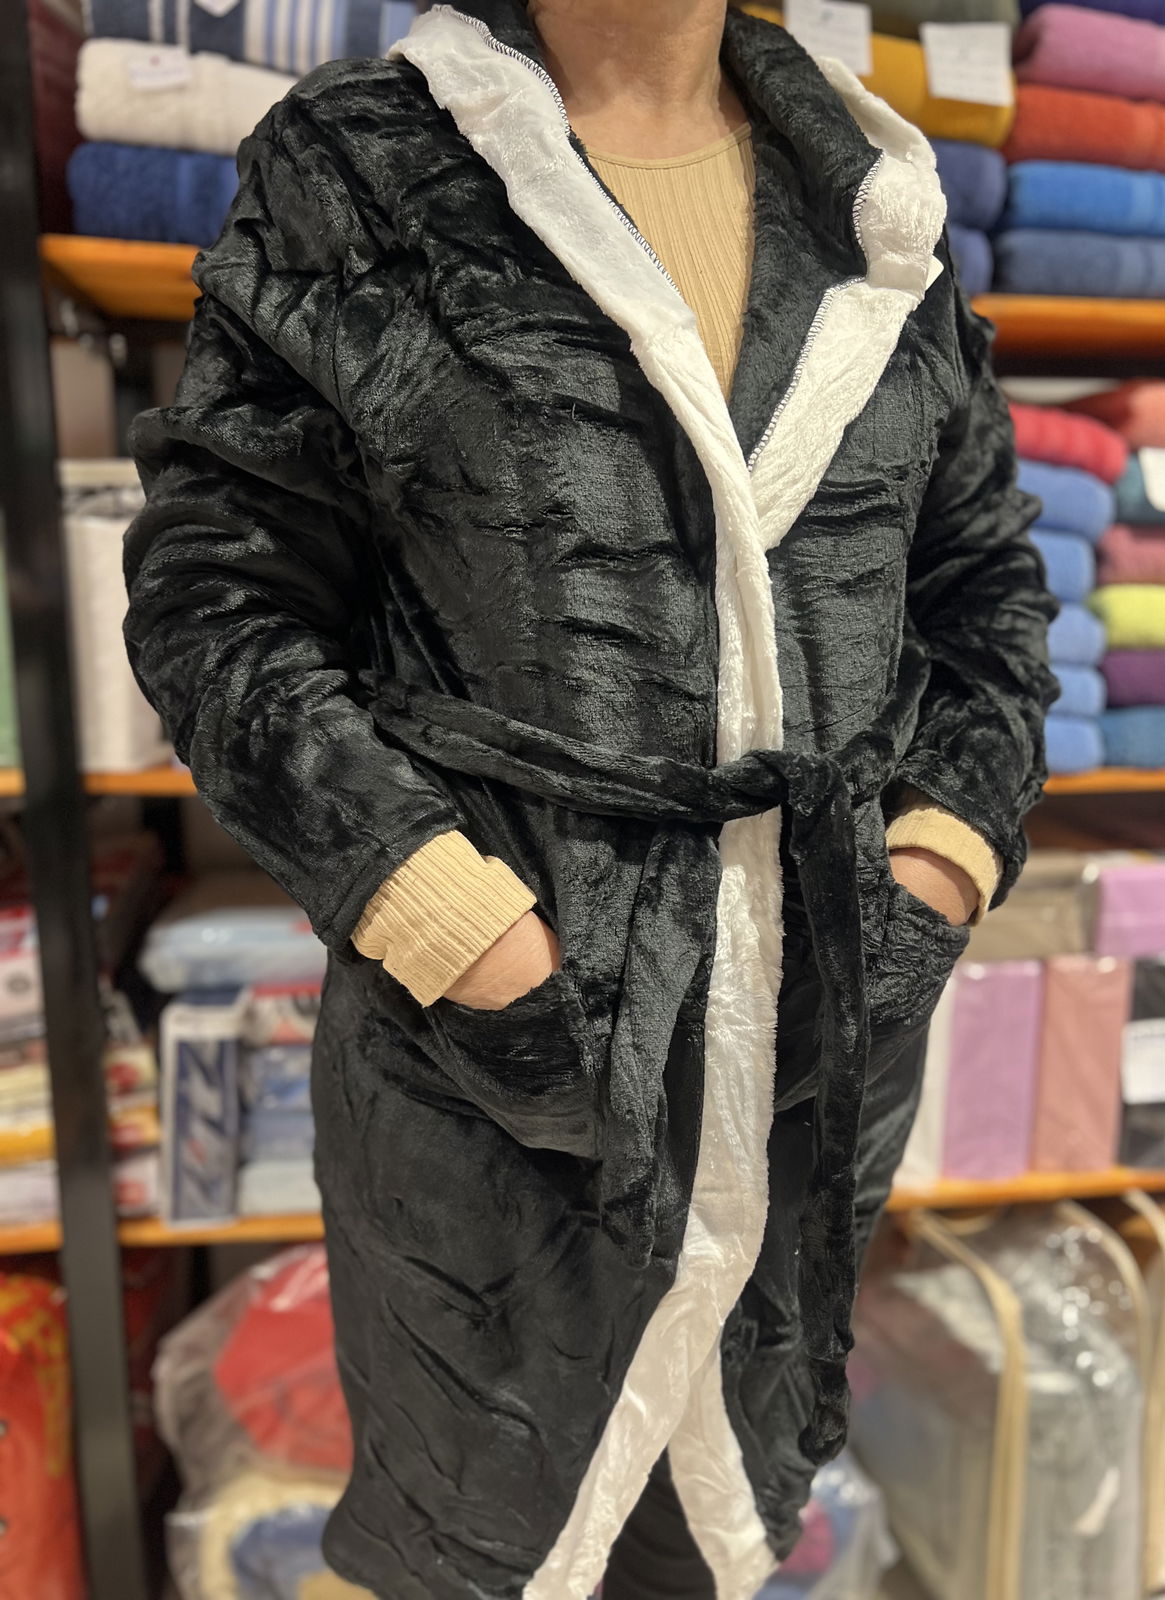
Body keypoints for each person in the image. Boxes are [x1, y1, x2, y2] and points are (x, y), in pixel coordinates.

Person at [123, 1, 1057, 1595]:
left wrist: (936, 873)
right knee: (487, 1529)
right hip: (492, 1075)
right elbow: (221, 604)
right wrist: (460, 931)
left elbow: (984, 597)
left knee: (730, 1508)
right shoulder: (366, 165)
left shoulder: (879, 200)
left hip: (810, 1057)